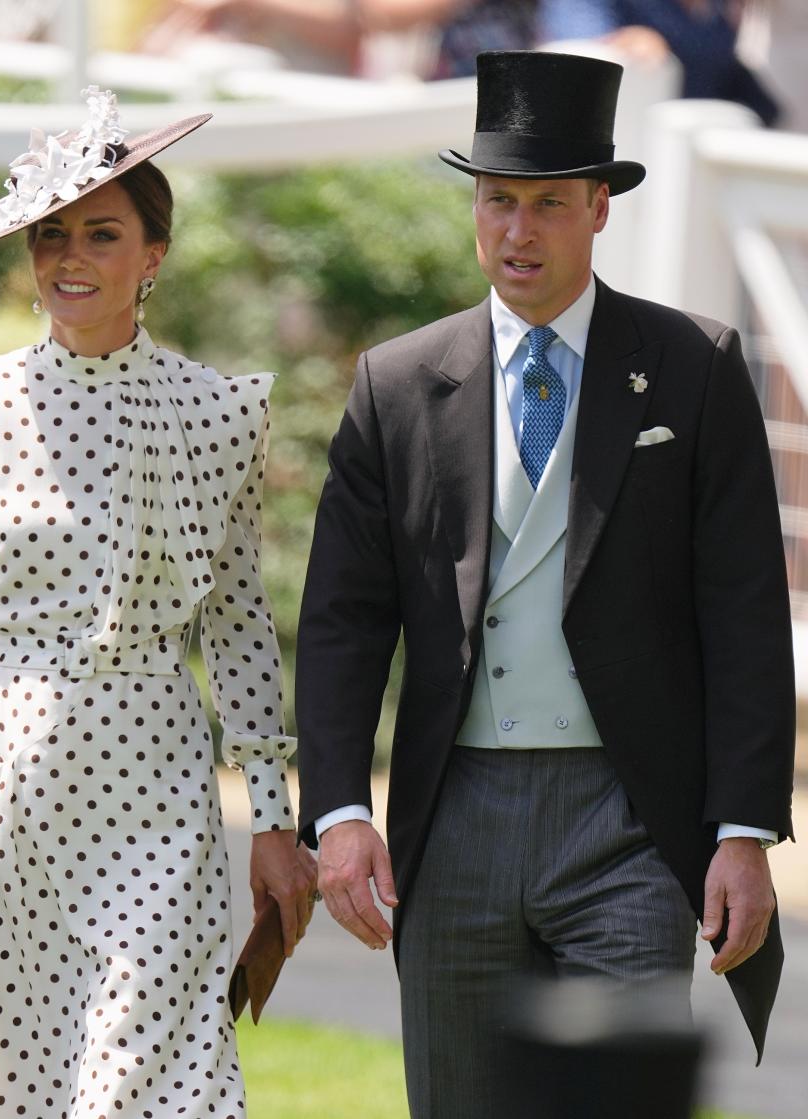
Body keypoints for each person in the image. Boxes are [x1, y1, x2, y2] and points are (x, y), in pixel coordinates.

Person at [296, 50, 795, 1117]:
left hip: (629, 821)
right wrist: (339, 812)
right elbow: (342, 620)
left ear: (600, 209)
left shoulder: (694, 364)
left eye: (549, 205)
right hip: (456, 811)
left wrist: (744, 833)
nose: (517, 232)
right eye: (498, 201)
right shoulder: (396, 385)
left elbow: (746, 612)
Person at [0, 86, 316, 1119]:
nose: (70, 257)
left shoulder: (220, 411)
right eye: (51, 234)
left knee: (140, 1086)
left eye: (101, 233)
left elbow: (239, 624)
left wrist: (273, 818)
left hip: (160, 783)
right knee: (23, 1084)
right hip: (15, 791)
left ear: (154, 252)